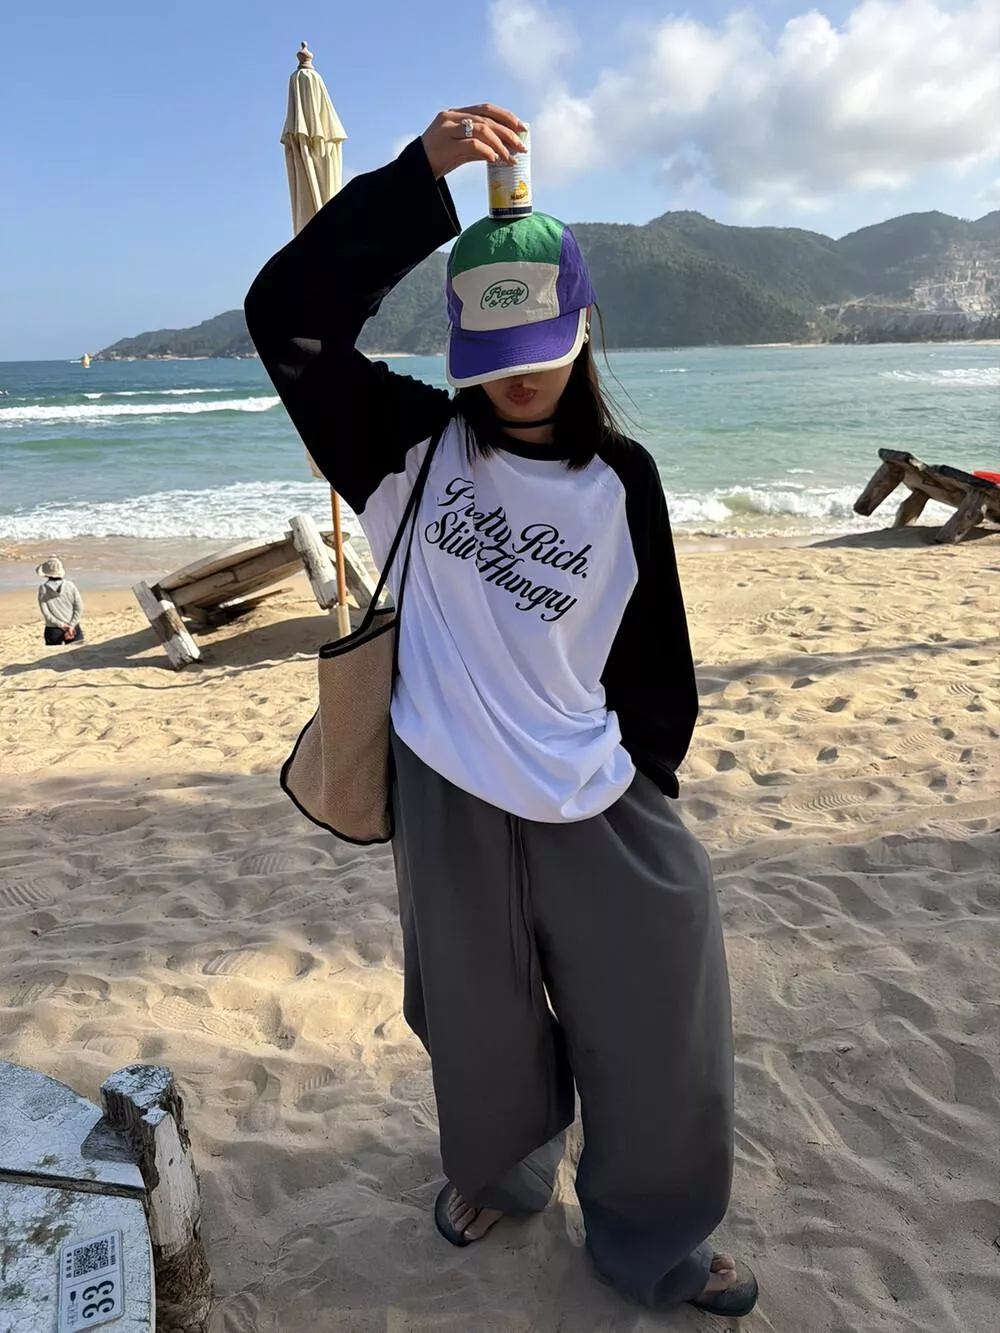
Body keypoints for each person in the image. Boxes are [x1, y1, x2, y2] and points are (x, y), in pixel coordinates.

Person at [245, 103, 757, 1319]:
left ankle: (650, 1233)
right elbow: (286, 317)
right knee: (476, 1024)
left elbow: (654, 653)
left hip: (595, 795)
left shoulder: (621, 476)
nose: (519, 372)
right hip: (446, 789)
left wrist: (643, 768)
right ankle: (499, 1177)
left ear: (580, 328)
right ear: (461, 345)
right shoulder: (405, 448)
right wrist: (418, 177)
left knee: (659, 1012)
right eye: (492, 348)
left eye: (540, 342)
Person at [36, 557, 84, 646]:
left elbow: (45, 612)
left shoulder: (43, 588)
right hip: (73, 627)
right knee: (77, 652)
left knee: (53, 654)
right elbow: (79, 607)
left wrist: (60, 624)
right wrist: (72, 625)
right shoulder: (70, 585)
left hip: (53, 629)